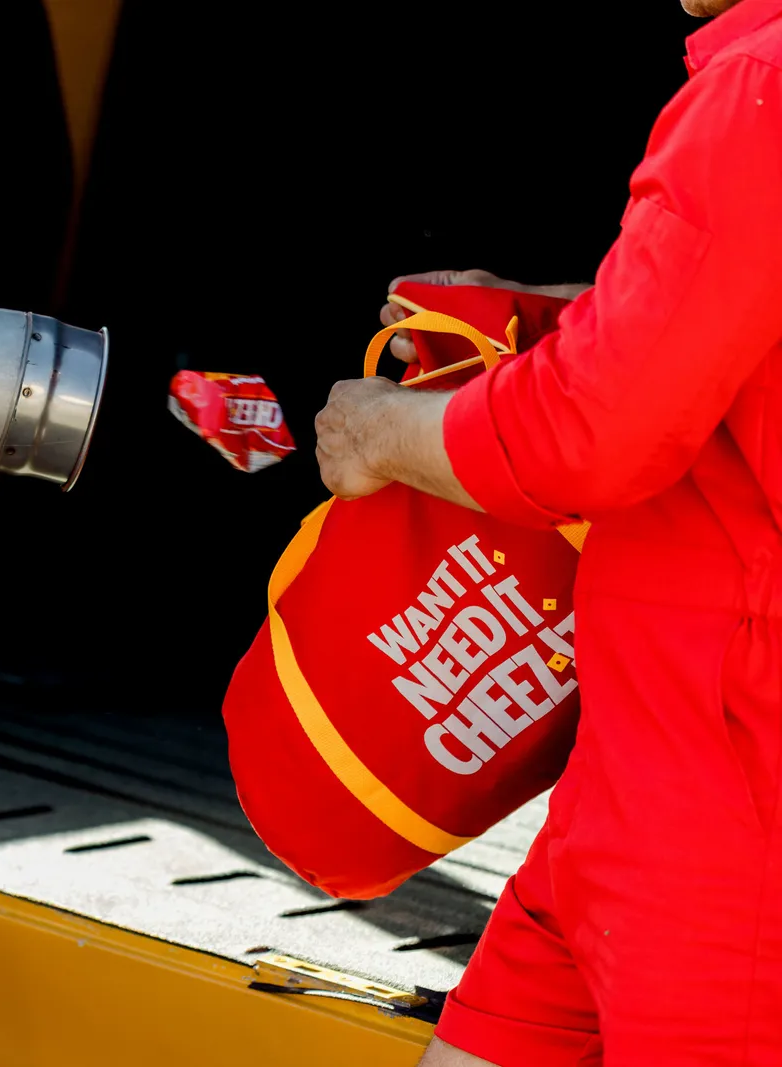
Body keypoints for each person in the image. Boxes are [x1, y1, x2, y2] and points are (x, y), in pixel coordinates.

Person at [313, 0, 782, 1062]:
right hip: (631, 797)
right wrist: (560, 309)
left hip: (725, 834)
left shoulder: (762, 83)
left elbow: (592, 435)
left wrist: (384, 432)